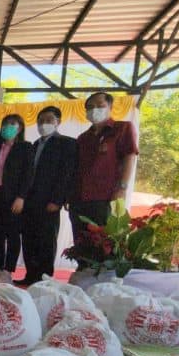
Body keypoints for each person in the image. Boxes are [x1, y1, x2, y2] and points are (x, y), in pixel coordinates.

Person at [71, 92, 139, 267]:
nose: (94, 110)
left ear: (110, 107)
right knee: (82, 244)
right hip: (79, 199)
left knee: (105, 244)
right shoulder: (83, 138)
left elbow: (129, 157)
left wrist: (122, 188)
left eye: (100, 105)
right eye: (90, 107)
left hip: (106, 197)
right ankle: (83, 278)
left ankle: (103, 283)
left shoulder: (122, 128)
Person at [20, 106, 77, 285]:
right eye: (41, 120)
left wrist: (58, 199)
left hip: (50, 200)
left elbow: (67, 174)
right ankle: (30, 274)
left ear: (58, 122)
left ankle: (44, 277)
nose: (44, 124)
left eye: (49, 120)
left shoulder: (67, 143)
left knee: (46, 239)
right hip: (30, 200)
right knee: (29, 237)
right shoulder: (35, 144)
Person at [0, 114, 34, 284]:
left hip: (14, 198)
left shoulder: (25, 147)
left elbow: (28, 175)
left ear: (20, 128)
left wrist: (21, 197)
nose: (8, 127)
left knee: (13, 235)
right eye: (5, 123)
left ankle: (8, 271)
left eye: (13, 124)